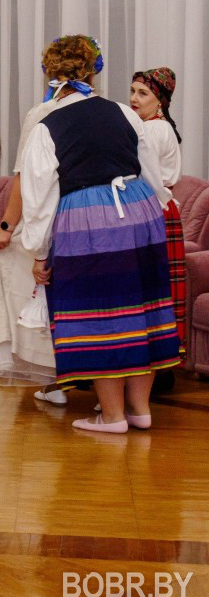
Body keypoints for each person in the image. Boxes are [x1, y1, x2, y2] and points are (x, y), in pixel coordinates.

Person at [20, 35, 182, 433]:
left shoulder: (46, 126)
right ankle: (140, 410)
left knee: (101, 315)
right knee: (144, 307)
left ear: (52, 74)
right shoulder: (125, 113)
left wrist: (39, 252)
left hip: (88, 219)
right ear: (91, 70)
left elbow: (38, 197)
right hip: (140, 207)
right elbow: (151, 172)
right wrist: (150, 212)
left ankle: (112, 417)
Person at [0, 63, 64, 399]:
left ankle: (50, 378)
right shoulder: (102, 111)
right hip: (83, 217)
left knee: (34, 292)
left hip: (46, 219)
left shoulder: (42, 114)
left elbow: (23, 176)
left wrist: (6, 227)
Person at [129, 67, 183, 393]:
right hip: (161, 212)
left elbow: (143, 176)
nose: (134, 98)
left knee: (148, 294)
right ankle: (159, 371)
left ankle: (152, 373)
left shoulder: (152, 131)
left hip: (152, 213)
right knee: (156, 293)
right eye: (133, 91)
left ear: (159, 100)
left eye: (143, 93)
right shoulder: (156, 128)